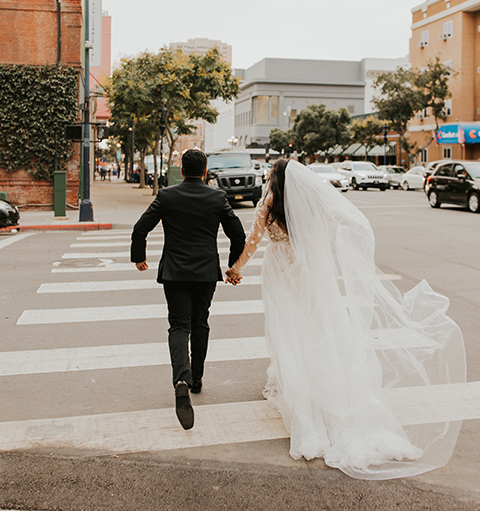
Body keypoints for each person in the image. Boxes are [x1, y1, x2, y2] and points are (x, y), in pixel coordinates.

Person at [226, 159, 466, 480]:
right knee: (318, 328)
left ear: (274, 178)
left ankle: (298, 386)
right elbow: (346, 219)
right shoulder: (312, 201)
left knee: (288, 330)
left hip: (281, 269)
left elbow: (253, 241)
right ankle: (326, 388)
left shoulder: (268, 203)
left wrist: (236, 268)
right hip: (311, 270)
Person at [131, 148, 245, 430]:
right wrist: (233, 266)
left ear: (181, 170)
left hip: (175, 272)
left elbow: (140, 228)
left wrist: (139, 256)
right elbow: (238, 234)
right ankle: (196, 378)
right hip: (206, 272)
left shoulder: (167, 196)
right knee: (201, 322)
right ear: (205, 171)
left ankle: (180, 378)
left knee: (179, 326)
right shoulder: (217, 197)